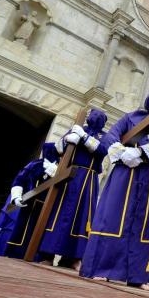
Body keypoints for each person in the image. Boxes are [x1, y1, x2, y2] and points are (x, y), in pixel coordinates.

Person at [79, 88, 149, 291]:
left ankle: (137, 276)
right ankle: (102, 269)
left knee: (143, 224)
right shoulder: (131, 117)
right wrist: (120, 151)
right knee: (113, 217)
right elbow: (111, 135)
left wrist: (138, 154)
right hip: (124, 173)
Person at [39, 109, 108, 270]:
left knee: (82, 217)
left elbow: (102, 151)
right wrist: (66, 141)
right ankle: (47, 254)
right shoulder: (77, 128)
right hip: (68, 176)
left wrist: (83, 138)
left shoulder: (104, 136)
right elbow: (57, 149)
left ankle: (72, 258)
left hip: (88, 180)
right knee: (58, 213)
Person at [3, 143, 60, 259]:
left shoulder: (61, 169)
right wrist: (16, 196)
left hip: (49, 207)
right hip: (30, 204)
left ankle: (39, 256)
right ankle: (16, 252)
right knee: (23, 229)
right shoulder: (34, 165)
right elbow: (20, 180)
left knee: (42, 232)